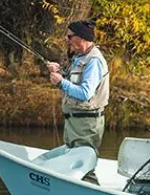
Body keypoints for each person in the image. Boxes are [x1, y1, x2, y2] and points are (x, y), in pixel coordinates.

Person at [46, 19, 110, 153]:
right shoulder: (80, 57)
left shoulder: (94, 61)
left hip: (86, 126)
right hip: (74, 124)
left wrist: (61, 82)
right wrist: (60, 72)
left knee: (82, 160)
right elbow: (75, 81)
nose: (66, 39)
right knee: (72, 158)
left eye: (70, 36)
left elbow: (85, 93)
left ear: (82, 38)